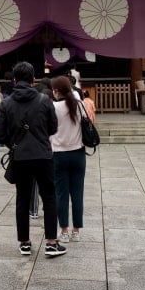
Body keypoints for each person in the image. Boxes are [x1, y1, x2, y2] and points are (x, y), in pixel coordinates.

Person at [0, 61, 66, 258]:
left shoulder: (6, 103)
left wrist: (14, 144)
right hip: (43, 155)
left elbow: (0, 133)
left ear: (15, 80)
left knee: (22, 198)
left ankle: (24, 242)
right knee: (49, 197)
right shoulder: (44, 100)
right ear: (33, 79)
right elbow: (53, 127)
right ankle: (51, 242)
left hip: (20, 156)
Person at [50, 76, 86, 243]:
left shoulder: (53, 107)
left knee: (61, 194)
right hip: (78, 153)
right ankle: (76, 231)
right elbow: (87, 123)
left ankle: (63, 230)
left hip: (58, 154)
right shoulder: (79, 105)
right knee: (77, 193)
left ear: (56, 91)